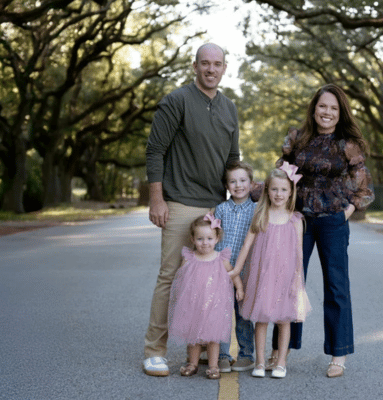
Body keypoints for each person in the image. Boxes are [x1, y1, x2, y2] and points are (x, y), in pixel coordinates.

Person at [143, 43, 240, 377]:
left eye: (217, 64)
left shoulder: (229, 108)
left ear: (224, 68)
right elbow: (155, 150)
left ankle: (203, 348)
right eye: (204, 64)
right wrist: (157, 199)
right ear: (195, 66)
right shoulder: (177, 101)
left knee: (212, 284)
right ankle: (154, 350)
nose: (210, 69)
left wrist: (243, 192)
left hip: (215, 206)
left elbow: (231, 159)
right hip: (180, 202)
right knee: (171, 278)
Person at [269, 83, 375, 378]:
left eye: (333, 108)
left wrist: (347, 213)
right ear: (313, 109)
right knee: (289, 285)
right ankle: (282, 351)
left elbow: (364, 187)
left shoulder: (347, 145)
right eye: (322, 106)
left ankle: (338, 355)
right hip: (297, 221)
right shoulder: (297, 140)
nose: (326, 112)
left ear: (340, 114)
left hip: (332, 222)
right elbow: (281, 176)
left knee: (336, 288)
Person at [231, 164, 311, 379]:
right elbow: (246, 246)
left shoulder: (295, 220)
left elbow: (299, 253)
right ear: (267, 191)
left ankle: (281, 363)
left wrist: (297, 279)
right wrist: (236, 270)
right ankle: (259, 362)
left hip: (285, 277)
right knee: (262, 319)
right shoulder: (261, 215)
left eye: (284, 190)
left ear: (291, 192)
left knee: (284, 320)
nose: (279, 194)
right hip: (262, 276)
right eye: (275, 189)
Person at [168, 214, 244, 379]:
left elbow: (233, 273)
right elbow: (180, 278)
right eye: (200, 238)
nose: (205, 242)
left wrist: (239, 287)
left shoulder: (220, 258)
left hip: (214, 305)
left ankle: (213, 366)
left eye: (209, 238)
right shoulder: (189, 257)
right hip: (193, 304)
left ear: (217, 239)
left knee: (213, 337)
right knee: (193, 336)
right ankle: (192, 363)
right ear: (193, 239)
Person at [214, 161, 257, 373]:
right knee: (221, 311)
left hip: (246, 269)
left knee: (243, 313)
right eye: (233, 181)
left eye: (242, 180)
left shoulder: (258, 210)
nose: (238, 185)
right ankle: (222, 355)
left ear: (251, 184)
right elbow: (215, 239)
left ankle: (246, 354)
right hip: (221, 269)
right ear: (227, 185)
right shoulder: (220, 209)